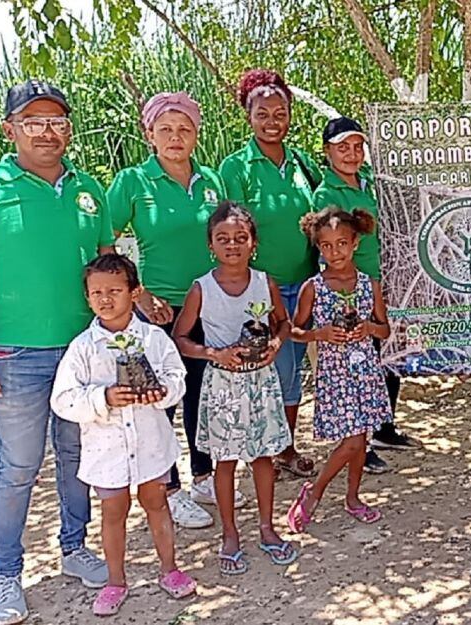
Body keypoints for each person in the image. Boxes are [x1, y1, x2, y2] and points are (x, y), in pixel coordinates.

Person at [0, 80, 111, 624]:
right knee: (18, 467)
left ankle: (74, 548)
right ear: (10, 129)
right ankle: (5, 574)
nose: (48, 131)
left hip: (85, 350)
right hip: (17, 354)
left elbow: (109, 268)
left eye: (58, 121)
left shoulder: (90, 190)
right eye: (34, 121)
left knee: (77, 458)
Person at [107, 91, 232, 530]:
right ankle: (168, 488)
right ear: (150, 134)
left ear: (196, 135)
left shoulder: (213, 180)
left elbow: (229, 234)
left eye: (184, 129)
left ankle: (202, 475)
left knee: (201, 394)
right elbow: (106, 243)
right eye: (166, 130)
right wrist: (137, 293)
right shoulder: (133, 182)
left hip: (207, 305)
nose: (175, 138)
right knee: (158, 402)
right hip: (157, 311)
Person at [51, 254, 197, 616]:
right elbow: (63, 400)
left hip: (151, 445)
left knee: (156, 502)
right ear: (86, 297)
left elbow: (177, 375)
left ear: (135, 292)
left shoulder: (153, 338)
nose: (105, 299)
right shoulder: (82, 348)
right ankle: (116, 580)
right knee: (113, 512)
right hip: (107, 450)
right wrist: (103, 397)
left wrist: (163, 391)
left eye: (115, 290)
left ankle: (169, 569)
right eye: (96, 292)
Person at [172, 202, 298, 575]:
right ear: (211, 245)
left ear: (253, 243)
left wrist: (275, 346)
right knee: (224, 462)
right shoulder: (202, 288)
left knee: (262, 457)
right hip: (223, 384)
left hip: (260, 383)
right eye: (223, 239)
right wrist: (213, 353)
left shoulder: (264, 282)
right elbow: (180, 337)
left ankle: (266, 527)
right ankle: (230, 533)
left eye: (240, 238)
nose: (232, 245)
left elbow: (283, 323)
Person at [219, 69, 321, 480]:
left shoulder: (302, 162)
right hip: (261, 290)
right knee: (259, 369)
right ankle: (256, 450)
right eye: (263, 113)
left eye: (280, 112)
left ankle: (284, 449)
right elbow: (232, 229)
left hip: (305, 285)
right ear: (249, 116)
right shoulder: (236, 166)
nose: (272, 120)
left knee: (291, 371)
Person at [311, 117, 416, 473]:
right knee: (360, 364)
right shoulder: (327, 194)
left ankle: (385, 427)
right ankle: (362, 441)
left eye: (357, 147)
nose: (352, 154)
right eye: (343, 147)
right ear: (327, 152)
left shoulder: (370, 182)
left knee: (386, 355)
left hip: (384, 279)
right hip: (354, 288)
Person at [285, 207, 392, 532]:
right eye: (327, 245)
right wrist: (320, 334)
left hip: (365, 374)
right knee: (352, 442)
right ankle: (314, 491)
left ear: (355, 242)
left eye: (342, 243)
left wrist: (368, 329)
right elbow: (294, 330)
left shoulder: (369, 285)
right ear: (318, 247)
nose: (336, 252)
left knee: (361, 441)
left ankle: (353, 496)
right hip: (336, 377)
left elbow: (384, 329)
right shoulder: (313, 287)